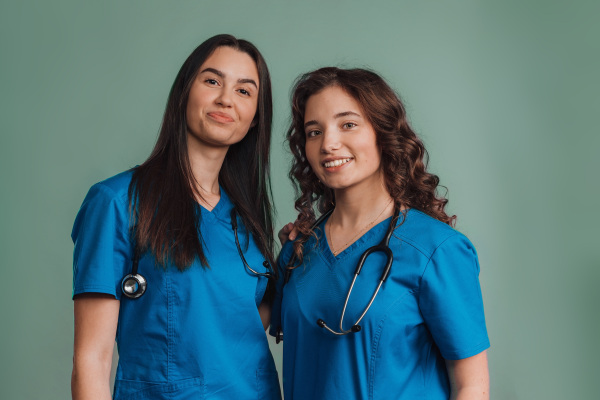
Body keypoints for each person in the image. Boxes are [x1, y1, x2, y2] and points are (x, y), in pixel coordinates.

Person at [71, 34, 281, 400]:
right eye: (212, 81)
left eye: (245, 91)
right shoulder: (118, 202)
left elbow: (235, 322)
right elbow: (92, 357)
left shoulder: (247, 217)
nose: (226, 99)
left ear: (254, 120)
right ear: (185, 91)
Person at [271, 67, 490, 399]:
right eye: (314, 132)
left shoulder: (437, 249)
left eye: (348, 124)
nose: (328, 143)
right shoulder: (299, 249)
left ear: (382, 134)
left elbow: (471, 385)